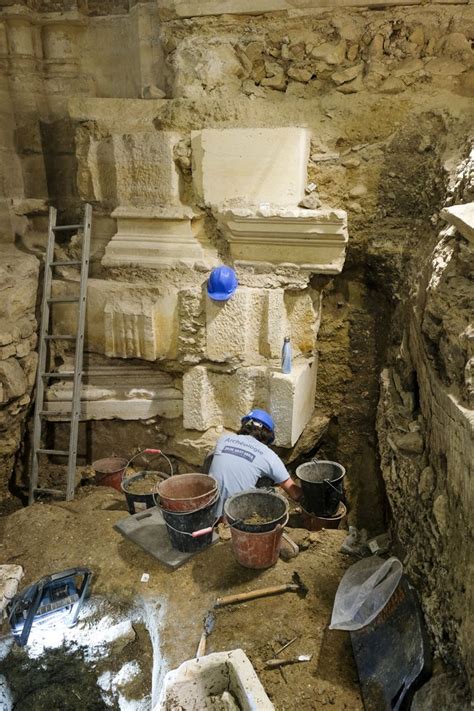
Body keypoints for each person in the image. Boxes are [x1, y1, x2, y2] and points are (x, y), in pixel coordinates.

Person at [208, 409, 302, 517]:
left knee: (211, 456)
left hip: (208, 509)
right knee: (268, 481)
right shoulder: (268, 455)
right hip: (237, 517)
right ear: (268, 436)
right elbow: (294, 493)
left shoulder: (223, 439)